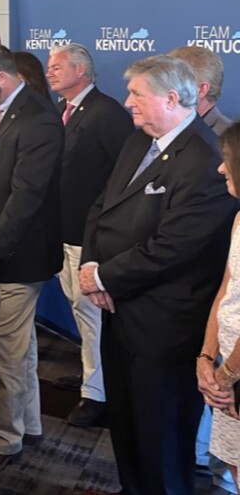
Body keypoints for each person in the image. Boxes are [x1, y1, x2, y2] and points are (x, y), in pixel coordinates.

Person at [81, 55, 235, 495]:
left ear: (171, 98)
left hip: (165, 327)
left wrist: (104, 277)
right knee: (127, 428)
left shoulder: (205, 159)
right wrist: (92, 268)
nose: (127, 101)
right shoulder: (137, 141)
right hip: (120, 313)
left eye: (136, 94)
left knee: (162, 440)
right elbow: (100, 209)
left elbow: (174, 248)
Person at [0, 42, 63, 473]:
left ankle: (3, 441)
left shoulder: (39, 118)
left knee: (6, 351)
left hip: (18, 253)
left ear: (1, 77)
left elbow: (27, 194)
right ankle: (29, 424)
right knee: (19, 350)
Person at [45, 43, 133, 428]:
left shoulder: (106, 112)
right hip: (64, 230)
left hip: (92, 236)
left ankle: (97, 394)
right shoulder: (62, 111)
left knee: (92, 315)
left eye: (57, 66)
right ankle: (90, 377)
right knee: (79, 312)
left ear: (81, 70)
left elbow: (123, 177)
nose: (50, 72)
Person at [199, 122, 240, 492]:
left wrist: (227, 376)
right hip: (228, 367)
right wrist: (206, 357)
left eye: (227, 160)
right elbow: (227, 288)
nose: (220, 168)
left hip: (236, 373)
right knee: (234, 462)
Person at [169, 46, 233, 135]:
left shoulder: (231, 139)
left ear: (201, 90)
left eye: (174, 82)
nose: (162, 89)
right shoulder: (158, 130)